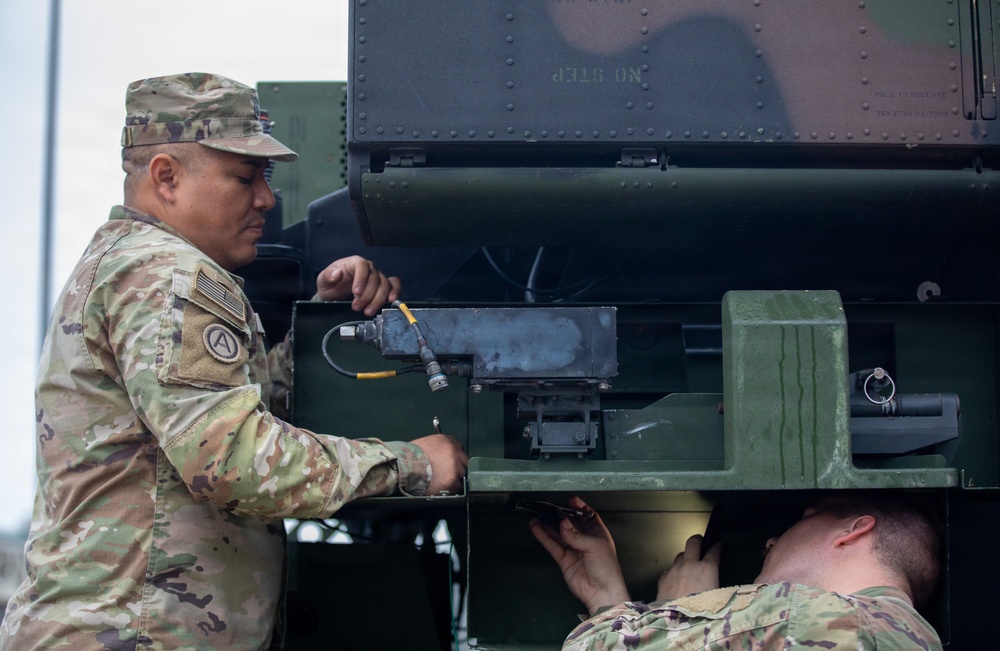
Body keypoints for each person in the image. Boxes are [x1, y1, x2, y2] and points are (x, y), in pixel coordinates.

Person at [0, 72, 468, 650]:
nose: (266, 198)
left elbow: (220, 416)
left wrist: (326, 323)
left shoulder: (128, 263)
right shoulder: (169, 275)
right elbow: (230, 458)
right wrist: (410, 465)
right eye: (245, 177)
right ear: (166, 177)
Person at [531, 493, 943, 650]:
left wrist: (681, 605)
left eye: (803, 519)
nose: (771, 541)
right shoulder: (913, 637)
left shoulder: (806, 615)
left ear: (853, 531)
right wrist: (607, 600)